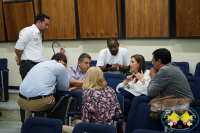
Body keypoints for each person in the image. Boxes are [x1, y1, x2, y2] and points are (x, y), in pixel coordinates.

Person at [62, 67, 121, 133]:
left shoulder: (88, 93)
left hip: (93, 129)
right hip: (109, 129)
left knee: (61, 128)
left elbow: (86, 119)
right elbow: (118, 112)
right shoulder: (111, 90)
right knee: (76, 122)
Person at [15, 13, 50, 123]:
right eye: (46, 24)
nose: (47, 27)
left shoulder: (39, 34)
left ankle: (35, 123)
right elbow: (18, 47)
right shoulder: (28, 31)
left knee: (38, 94)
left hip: (36, 67)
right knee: (27, 95)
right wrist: (21, 59)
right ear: (38, 22)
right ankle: (25, 123)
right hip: (28, 66)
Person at [17, 53, 69, 122]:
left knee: (30, 102)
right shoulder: (60, 66)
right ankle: (49, 125)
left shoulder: (40, 64)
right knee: (58, 98)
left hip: (21, 100)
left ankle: (27, 126)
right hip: (39, 103)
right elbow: (63, 87)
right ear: (62, 61)